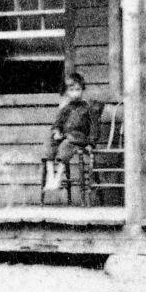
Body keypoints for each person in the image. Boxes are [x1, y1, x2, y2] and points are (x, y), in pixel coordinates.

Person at [45, 68, 98, 202]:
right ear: (67, 92)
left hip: (80, 138)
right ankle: (50, 176)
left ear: (82, 90)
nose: (75, 93)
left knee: (66, 145)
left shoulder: (87, 108)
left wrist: (91, 143)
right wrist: (57, 131)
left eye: (78, 89)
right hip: (66, 136)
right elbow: (57, 123)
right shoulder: (66, 108)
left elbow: (94, 127)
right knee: (51, 141)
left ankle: (58, 177)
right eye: (72, 90)